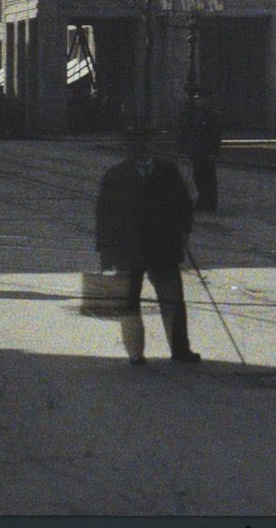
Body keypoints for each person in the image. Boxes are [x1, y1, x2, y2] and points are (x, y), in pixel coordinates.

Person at [93, 125, 199, 364]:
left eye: (145, 143)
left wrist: (184, 231)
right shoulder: (116, 174)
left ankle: (180, 350)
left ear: (152, 146)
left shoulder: (167, 171)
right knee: (129, 301)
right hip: (128, 248)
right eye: (136, 144)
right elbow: (104, 214)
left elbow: (183, 204)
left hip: (163, 245)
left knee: (172, 299)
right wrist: (105, 250)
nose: (141, 148)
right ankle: (135, 352)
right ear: (129, 148)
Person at [185, 89, 223, 213]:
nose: (198, 101)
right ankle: (203, 200)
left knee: (208, 177)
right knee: (199, 177)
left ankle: (210, 202)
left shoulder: (212, 115)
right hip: (197, 151)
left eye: (200, 98)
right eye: (197, 99)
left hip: (206, 151)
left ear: (207, 99)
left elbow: (215, 135)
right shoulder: (196, 114)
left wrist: (213, 152)